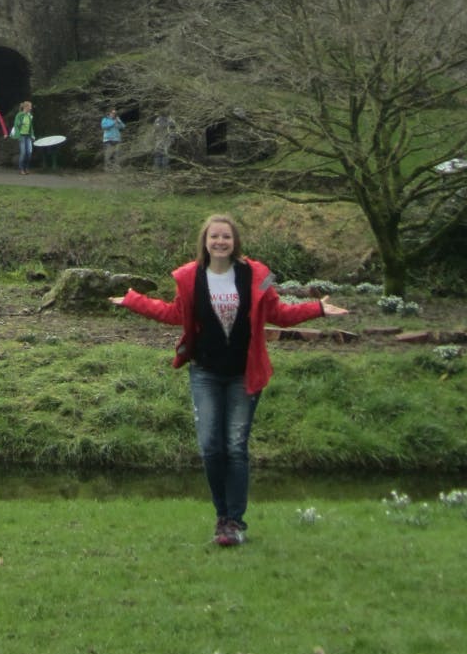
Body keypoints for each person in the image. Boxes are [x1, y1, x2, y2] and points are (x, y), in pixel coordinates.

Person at [110, 214, 349, 547]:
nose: (220, 242)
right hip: (205, 372)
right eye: (214, 237)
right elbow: (174, 313)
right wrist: (134, 301)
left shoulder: (259, 276)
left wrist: (318, 309)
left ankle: (234, 522)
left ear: (235, 241)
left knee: (235, 448)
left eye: (226, 237)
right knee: (211, 447)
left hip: (243, 374)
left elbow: (278, 313)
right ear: (205, 242)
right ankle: (222, 517)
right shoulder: (189, 277)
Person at [11, 100, 36, 175]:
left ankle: (26, 168)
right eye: (30, 107)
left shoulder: (29, 115)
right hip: (21, 136)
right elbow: (16, 125)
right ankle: (21, 169)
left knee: (29, 152)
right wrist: (18, 135)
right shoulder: (19, 115)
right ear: (26, 107)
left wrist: (32, 134)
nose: (31, 108)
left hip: (28, 136)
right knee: (23, 152)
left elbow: (31, 126)